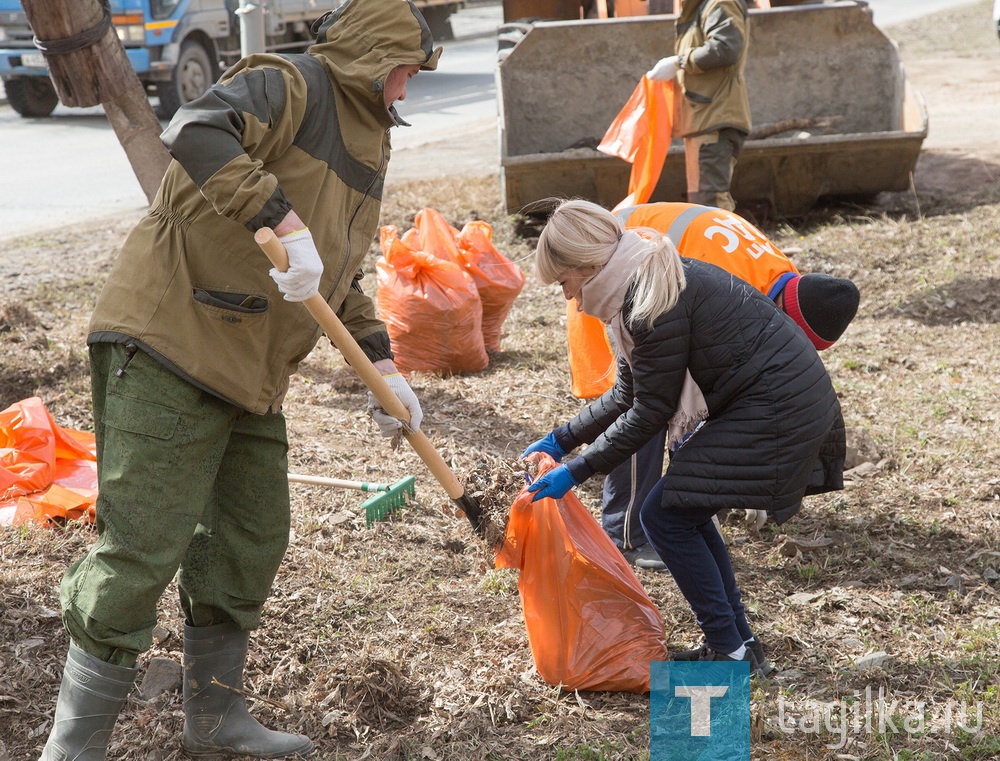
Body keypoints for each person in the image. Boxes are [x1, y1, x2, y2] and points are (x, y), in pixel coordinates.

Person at [37, 1, 440, 758]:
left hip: (251, 366)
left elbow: (339, 269)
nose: (407, 92)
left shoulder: (371, 138)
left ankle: (216, 720)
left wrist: (383, 365)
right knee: (142, 547)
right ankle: (74, 746)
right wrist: (281, 222)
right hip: (172, 338)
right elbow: (194, 127)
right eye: (405, 73)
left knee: (248, 537)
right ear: (376, 56)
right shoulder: (291, 83)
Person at [522, 199, 845, 670]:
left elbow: (651, 411)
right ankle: (738, 645)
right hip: (774, 401)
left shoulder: (644, 302)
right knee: (682, 511)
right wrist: (561, 438)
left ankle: (728, 650)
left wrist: (577, 469)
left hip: (775, 409)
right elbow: (631, 392)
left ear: (586, 265)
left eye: (565, 282)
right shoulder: (641, 280)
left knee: (666, 515)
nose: (568, 296)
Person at [603, 202, 859, 571]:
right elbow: (692, 394)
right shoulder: (730, 289)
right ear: (786, 317)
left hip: (657, 268)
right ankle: (625, 534)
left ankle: (674, 511)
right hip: (611, 262)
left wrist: (732, 487)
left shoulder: (784, 280)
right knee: (645, 404)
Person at [646, 0, 751, 211]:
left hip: (716, 117)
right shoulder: (698, 7)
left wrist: (679, 62)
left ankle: (725, 244)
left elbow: (726, 47)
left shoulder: (719, 3)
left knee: (712, 202)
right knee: (702, 202)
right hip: (703, 118)